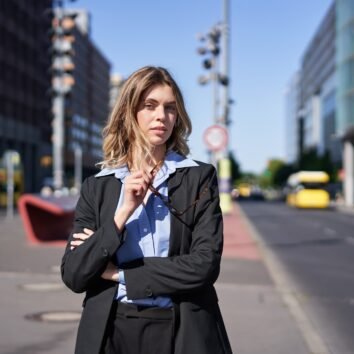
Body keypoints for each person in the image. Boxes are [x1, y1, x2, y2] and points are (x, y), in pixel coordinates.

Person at [61, 66, 232, 354]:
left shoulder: (198, 178)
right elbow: (75, 275)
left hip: (183, 329)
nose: (161, 117)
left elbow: (203, 265)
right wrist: (122, 213)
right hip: (110, 330)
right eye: (150, 106)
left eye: (169, 108)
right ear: (130, 112)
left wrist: (119, 274)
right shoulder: (97, 186)